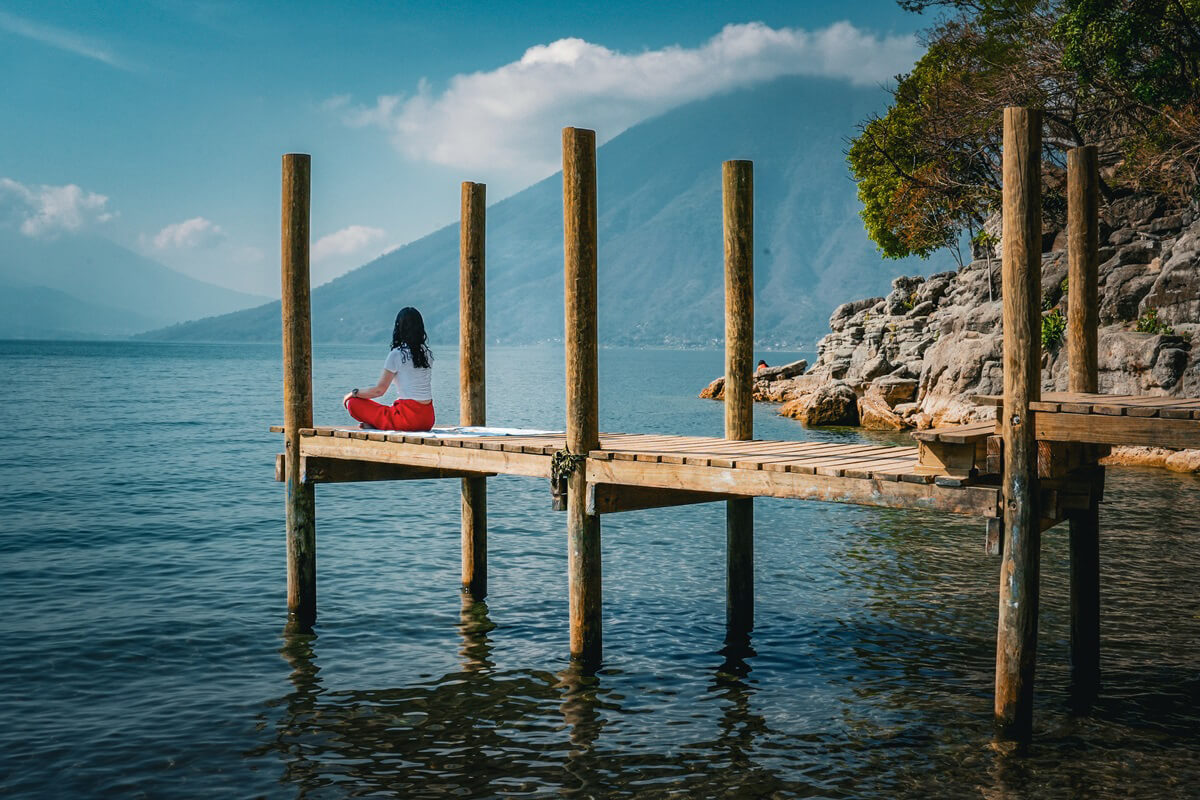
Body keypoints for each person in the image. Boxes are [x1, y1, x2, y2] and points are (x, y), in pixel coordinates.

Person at [342, 307, 435, 431]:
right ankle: (379, 424)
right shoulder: (427, 354)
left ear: (399, 328)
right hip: (428, 419)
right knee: (389, 410)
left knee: (354, 403)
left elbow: (379, 391)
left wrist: (353, 393)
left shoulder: (396, 354)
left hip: (408, 419)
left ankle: (381, 424)